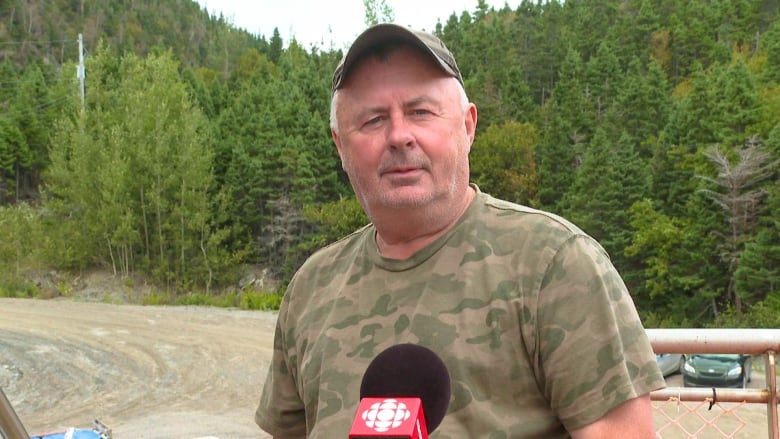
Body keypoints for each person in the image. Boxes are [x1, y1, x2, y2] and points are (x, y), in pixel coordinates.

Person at [255, 23, 665, 438]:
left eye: (420, 112)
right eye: (373, 120)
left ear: (468, 127)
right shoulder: (311, 288)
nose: (399, 136)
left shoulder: (555, 264)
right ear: (340, 145)